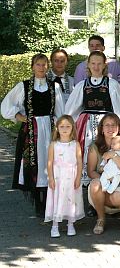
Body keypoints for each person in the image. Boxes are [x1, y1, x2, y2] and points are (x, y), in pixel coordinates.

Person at [1, 53, 64, 217]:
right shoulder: (24, 86)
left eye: (44, 65)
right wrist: (18, 116)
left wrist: (59, 128)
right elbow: (7, 105)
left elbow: (60, 111)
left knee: (50, 162)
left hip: (49, 129)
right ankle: (38, 201)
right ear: (32, 67)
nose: (42, 68)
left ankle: (50, 200)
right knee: (35, 163)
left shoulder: (54, 87)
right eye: (38, 64)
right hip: (31, 130)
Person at [65, 50, 120, 186]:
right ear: (88, 65)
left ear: (104, 65)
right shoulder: (82, 85)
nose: (96, 67)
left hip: (107, 125)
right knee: (88, 152)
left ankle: (108, 182)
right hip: (87, 126)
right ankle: (90, 186)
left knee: (106, 151)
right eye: (93, 63)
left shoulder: (112, 84)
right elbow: (71, 109)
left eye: (99, 64)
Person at [87, 113, 120, 234]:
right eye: (107, 125)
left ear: (119, 128)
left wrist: (113, 155)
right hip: (104, 181)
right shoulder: (95, 146)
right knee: (95, 185)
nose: (110, 128)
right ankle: (101, 219)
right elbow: (91, 171)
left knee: (117, 196)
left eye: (113, 125)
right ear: (102, 129)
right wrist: (105, 179)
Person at [44, 115, 84, 238]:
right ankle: (55, 225)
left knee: (71, 198)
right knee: (57, 198)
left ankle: (70, 223)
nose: (65, 129)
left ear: (72, 128)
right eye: (62, 126)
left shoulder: (75, 144)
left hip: (71, 175)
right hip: (58, 176)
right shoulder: (53, 145)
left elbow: (79, 161)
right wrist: (50, 178)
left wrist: (78, 177)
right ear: (57, 128)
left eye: (68, 126)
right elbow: (50, 162)